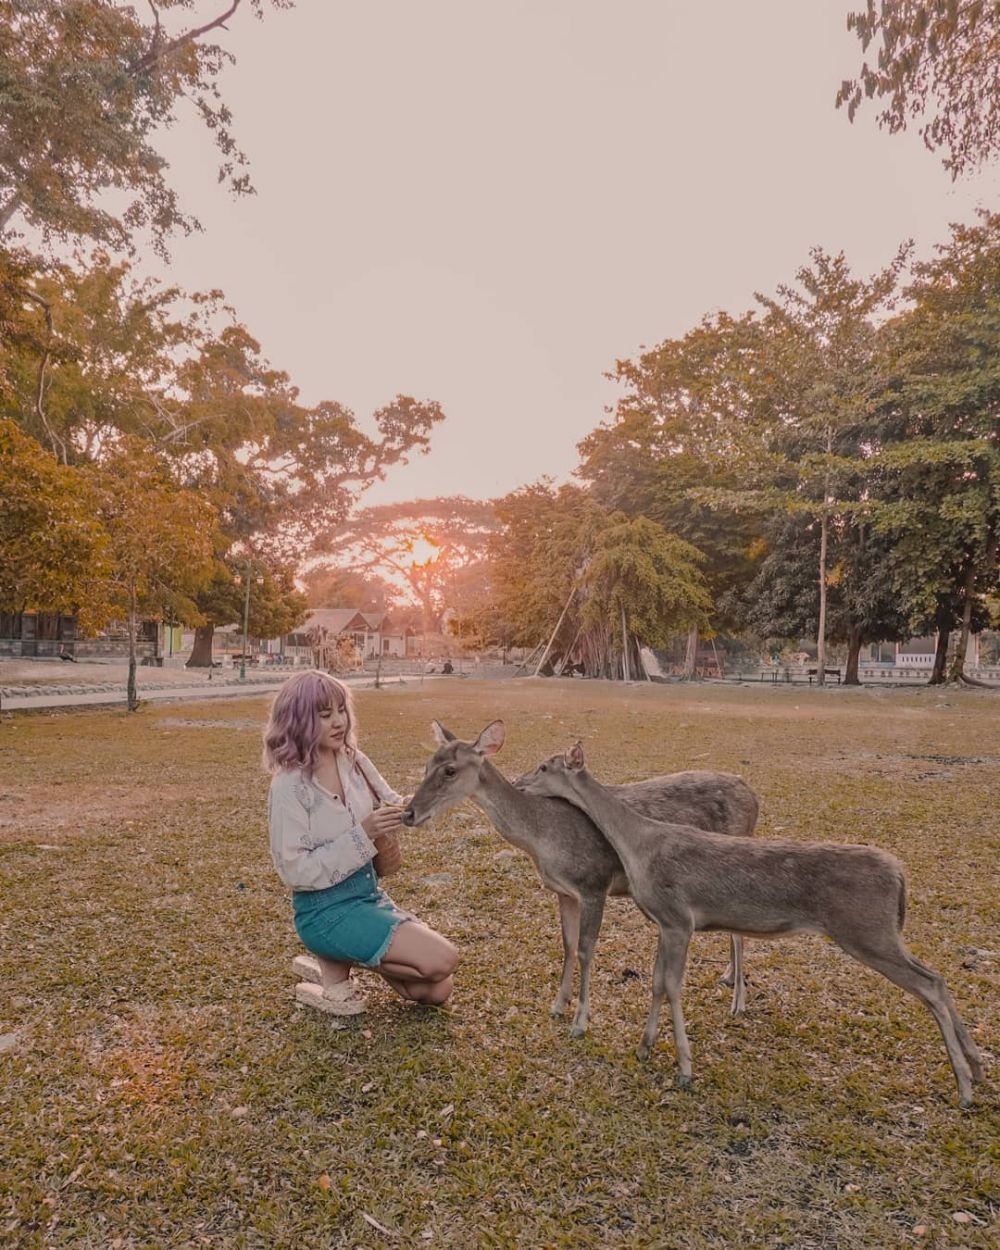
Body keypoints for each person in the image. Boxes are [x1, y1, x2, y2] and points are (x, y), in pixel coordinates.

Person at [263, 669, 458, 1015]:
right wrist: (363, 833)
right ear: (297, 721)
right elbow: (295, 871)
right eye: (325, 715)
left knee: (438, 989)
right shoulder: (289, 786)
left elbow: (394, 800)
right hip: (324, 911)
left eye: (341, 710)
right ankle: (335, 958)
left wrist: (436, 793)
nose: (339, 722)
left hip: (367, 895)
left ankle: (339, 964)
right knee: (443, 959)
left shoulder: (353, 760)